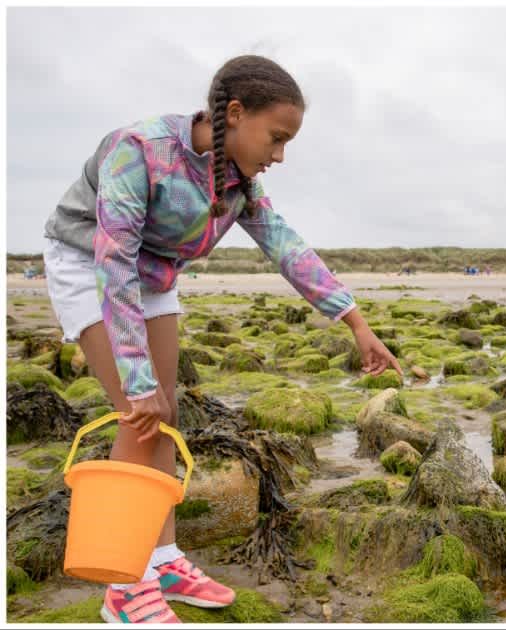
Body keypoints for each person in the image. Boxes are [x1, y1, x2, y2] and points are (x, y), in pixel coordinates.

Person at [41, 55, 403, 624]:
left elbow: (286, 247)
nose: (279, 155)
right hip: (92, 265)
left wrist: (357, 325)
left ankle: (161, 558)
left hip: (154, 273)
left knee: (167, 417)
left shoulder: (239, 180)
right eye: (277, 138)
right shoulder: (138, 150)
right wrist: (138, 382)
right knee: (138, 418)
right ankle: (124, 585)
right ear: (235, 114)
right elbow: (113, 269)